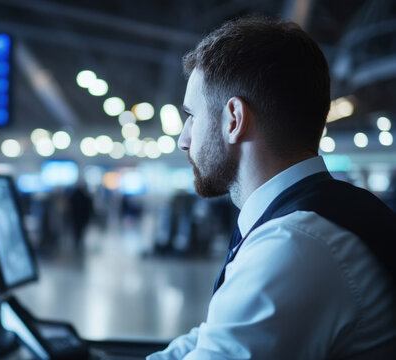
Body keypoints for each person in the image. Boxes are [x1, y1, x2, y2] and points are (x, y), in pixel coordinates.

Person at [147, 16, 396, 360]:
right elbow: (212, 337)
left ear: (234, 119)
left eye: (192, 116)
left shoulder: (294, 246)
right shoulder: (323, 215)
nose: (183, 139)